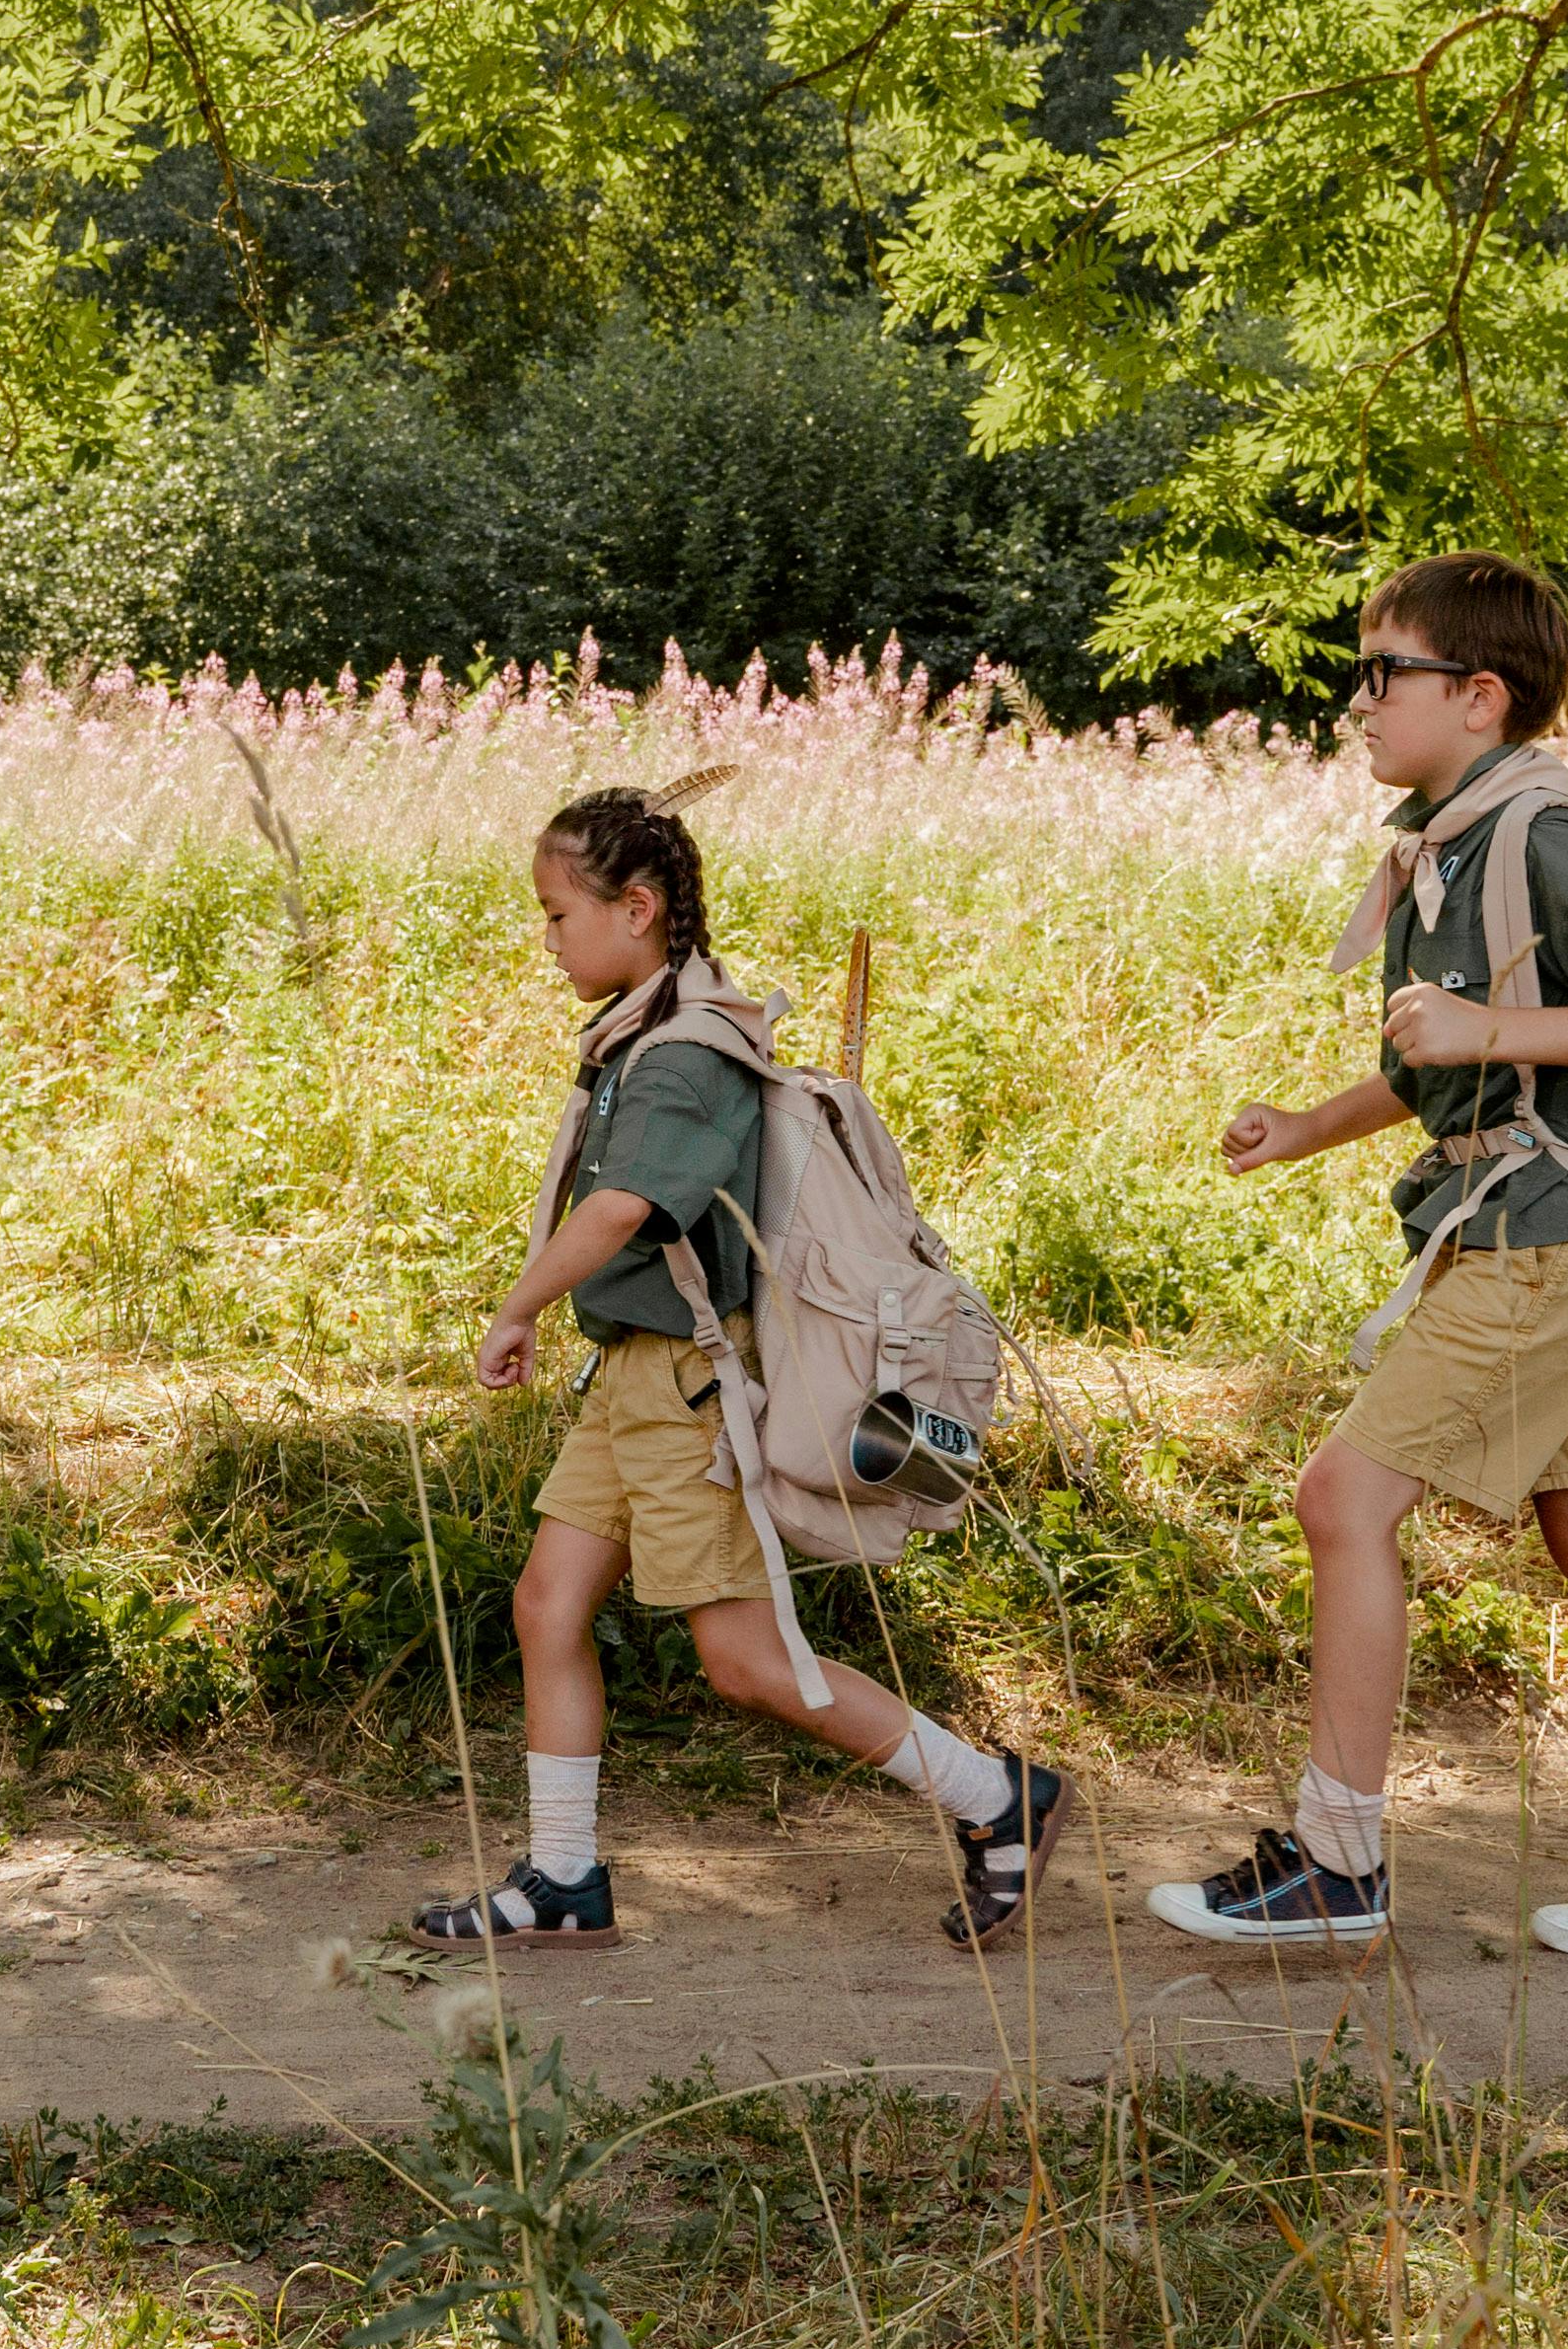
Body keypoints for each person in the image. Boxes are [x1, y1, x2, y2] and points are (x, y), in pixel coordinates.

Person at [1154, 553, 1568, 1959]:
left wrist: (1492, 1035)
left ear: (1479, 697)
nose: (1358, 703)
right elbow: (1445, 1049)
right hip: (1513, 1229)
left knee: (1341, 1501)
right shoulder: (1451, 837)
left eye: (1385, 674)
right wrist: (1311, 1125)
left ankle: (1337, 1864)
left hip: (1547, 1244)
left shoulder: (1541, 836)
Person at [412, 785, 1075, 1955]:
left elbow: (622, 1206)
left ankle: (995, 1796)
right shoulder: (642, 1028)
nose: (548, 937)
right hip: (629, 1379)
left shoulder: (683, 1054)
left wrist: (517, 1306)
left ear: (640, 907)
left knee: (749, 1662)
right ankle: (564, 1873)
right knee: (547, 1602)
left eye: (559, 913)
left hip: (683, 1388)